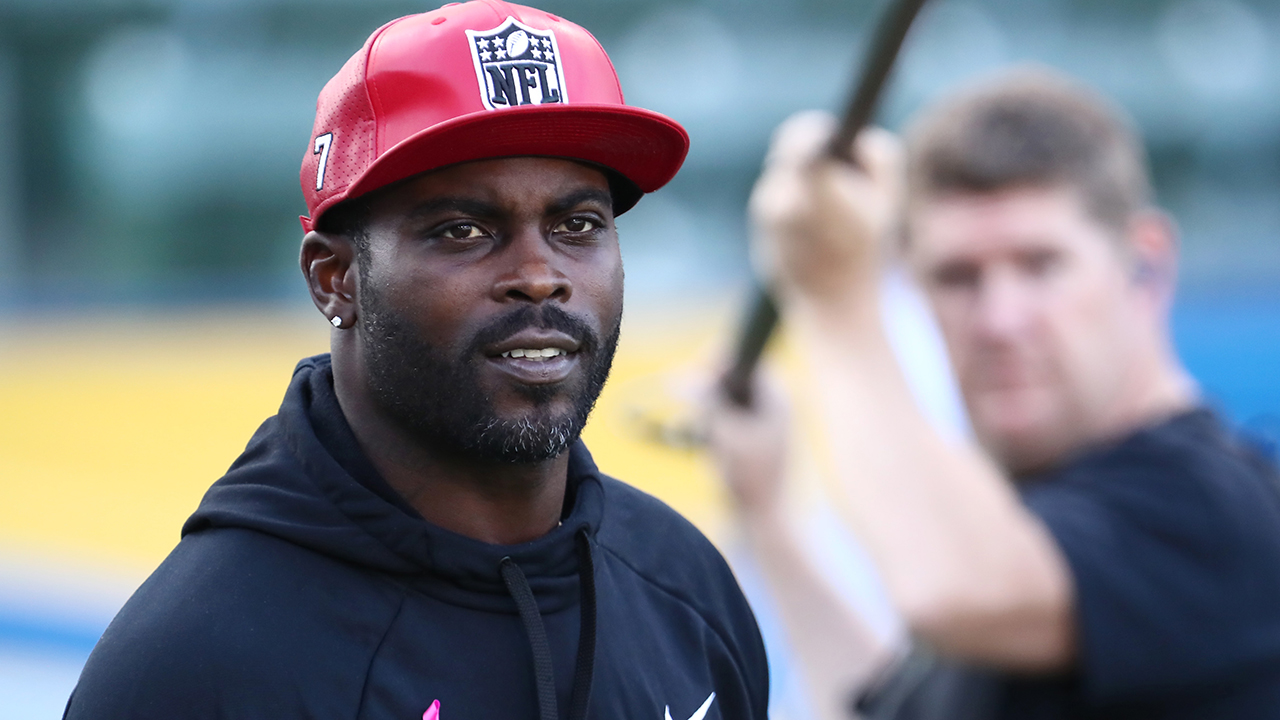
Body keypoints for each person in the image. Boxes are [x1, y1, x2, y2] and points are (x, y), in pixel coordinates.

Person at [63, 3, 769, 718]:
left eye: (577, 224)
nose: (539, 273)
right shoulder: (194, 669)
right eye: (463, 230)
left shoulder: (684, 586)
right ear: (334, 278)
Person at [707, 68, 1280, 719]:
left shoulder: (1214, 508)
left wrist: (836, 295)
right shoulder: (1020, 551)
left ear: (1145, 263)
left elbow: (950, 593)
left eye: (1040, 265)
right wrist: (769, 514)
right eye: (957, 277)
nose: (1000, 320)